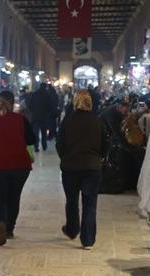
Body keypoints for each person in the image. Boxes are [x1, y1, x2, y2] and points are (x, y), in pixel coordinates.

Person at [56, 90, 110, 250]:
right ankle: (87, 240)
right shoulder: (97, 122)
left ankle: (72, 230)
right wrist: (100, 157)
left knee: (71, 200)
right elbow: (107, 143)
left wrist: (65, 157)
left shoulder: (67, 121)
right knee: (90, 203)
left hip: (70, 168)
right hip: (92, 168)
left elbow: (59, 144)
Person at [0, 90, 36, 246]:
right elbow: (31, 139)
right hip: (19, 164)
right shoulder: (21, 119)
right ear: (13, 103)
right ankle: (10, 229)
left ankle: (0, 222)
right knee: (13, 197)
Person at [27, 82, 53, 151]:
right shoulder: (48, 95)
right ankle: (44, 146)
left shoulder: (34, 94)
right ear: (45, 87)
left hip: (36, 116)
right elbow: (51, 107)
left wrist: (34, 110)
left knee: (36, 132)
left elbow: (30, 105)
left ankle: (36, 145)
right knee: (44, 132)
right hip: (45, 117)